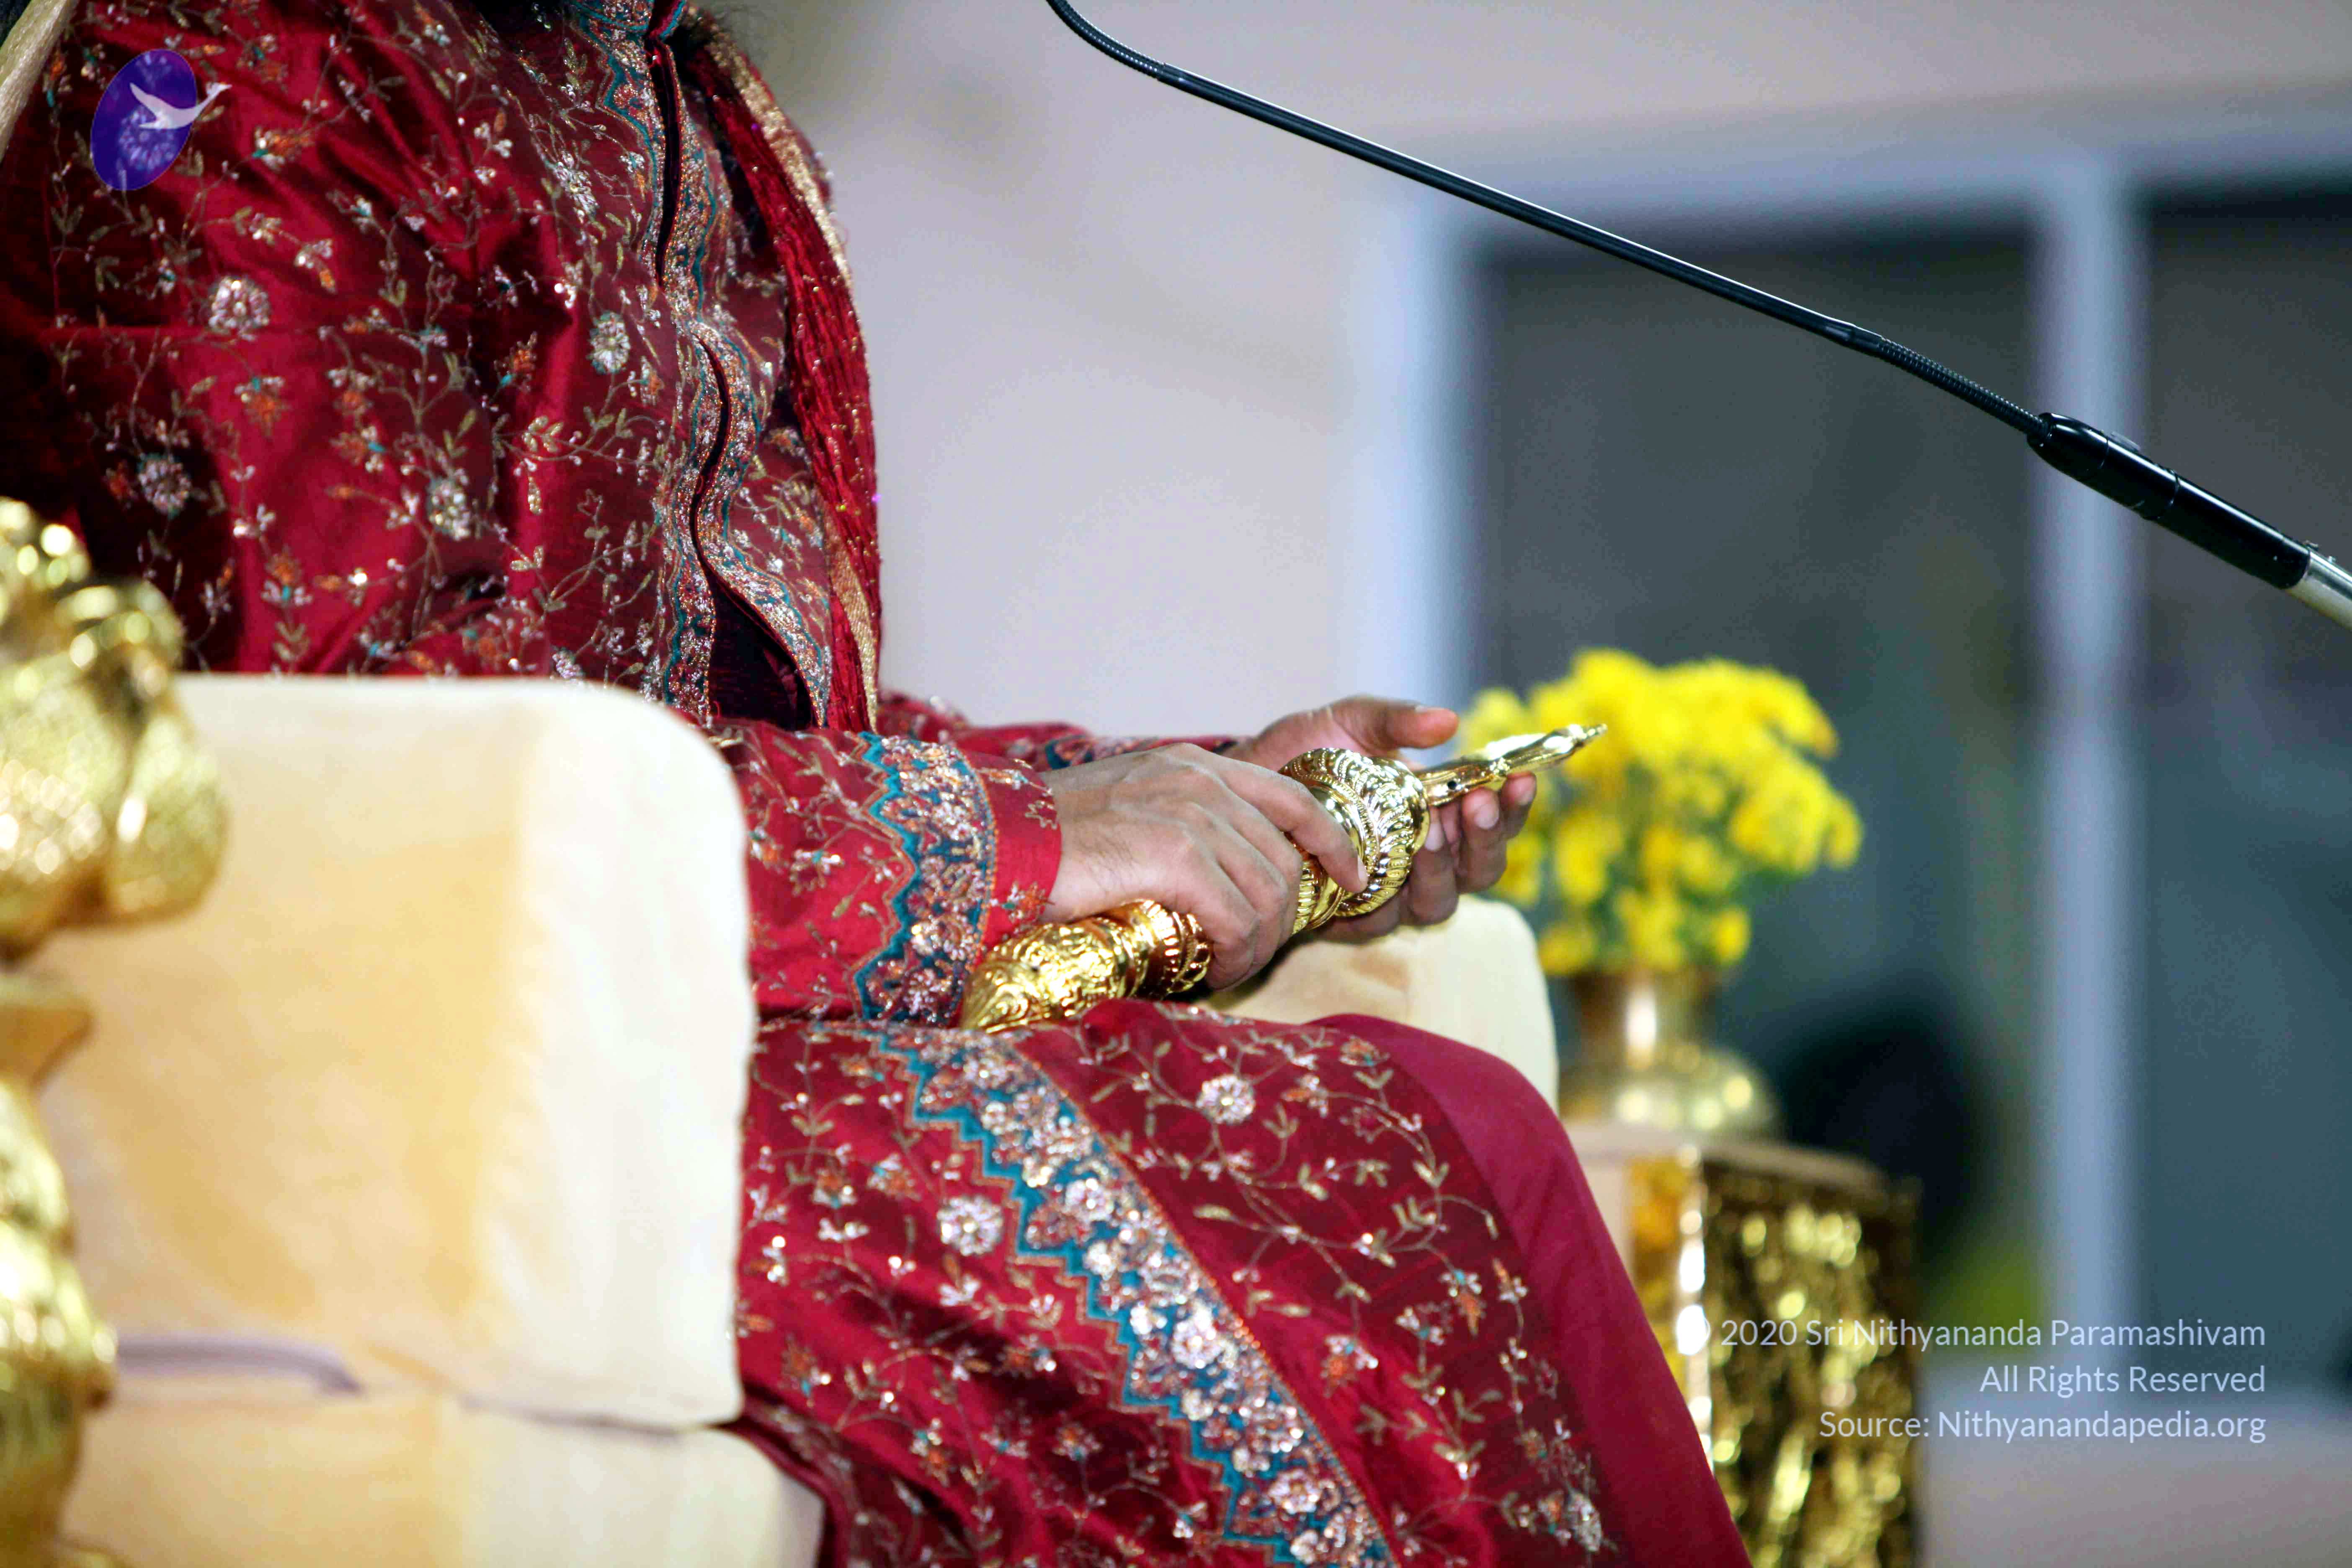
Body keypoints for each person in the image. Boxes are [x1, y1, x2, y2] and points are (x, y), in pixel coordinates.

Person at [0, 0, 1749, 1560]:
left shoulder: (672, 94)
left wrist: (1208, 796)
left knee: (1465, 1117)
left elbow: (789, 726)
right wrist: (1023, 843)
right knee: (1325, 1183)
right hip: (438, 1072)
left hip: (704, 1002)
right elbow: (359, 731)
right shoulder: (226, 66)